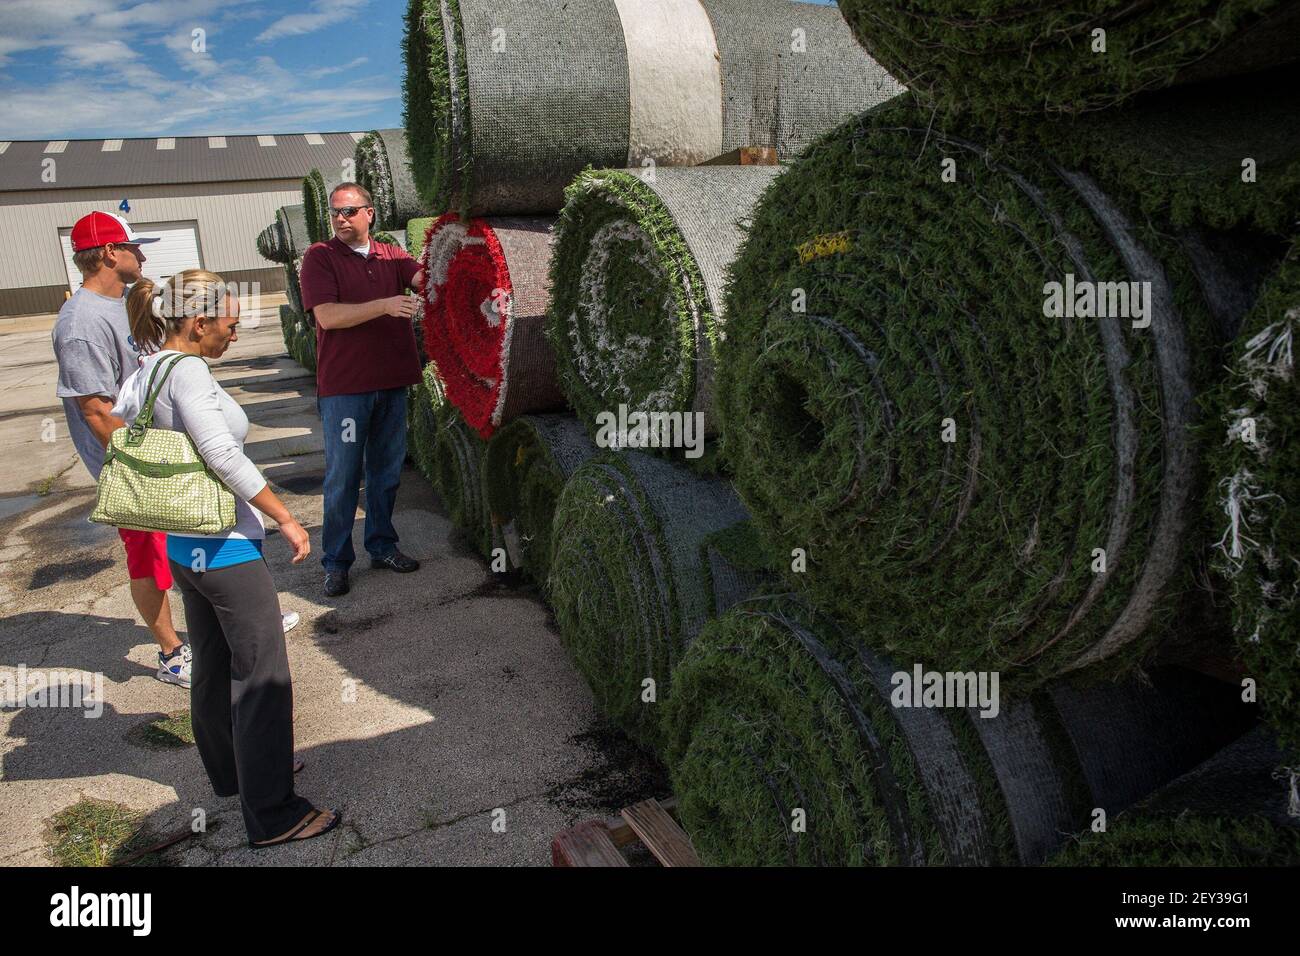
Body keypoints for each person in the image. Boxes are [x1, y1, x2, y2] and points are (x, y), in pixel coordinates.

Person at [113, 269, 337, 847]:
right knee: (262, 673)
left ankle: (233, 775)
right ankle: (274, 813)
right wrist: (283, 514)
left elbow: (120, 417)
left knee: (213, 664)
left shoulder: (148, 369)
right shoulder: (187, 370)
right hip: (224, 545)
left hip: (183, 544)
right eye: (229, 324)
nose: (234, 333)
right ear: (198, 321)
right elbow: (218, 452)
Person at [52, 212, 191, 686]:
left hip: (163, 450)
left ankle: (228, 625)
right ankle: (173, 654)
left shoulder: (125, 302)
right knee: (150, 555)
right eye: (134, 247)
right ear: (110, 252)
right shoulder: (80, 323)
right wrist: (141, 465)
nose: (144, 255)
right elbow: (95, 410)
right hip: (131, 464)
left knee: (197, 536)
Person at [299, 182, 426, 598]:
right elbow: (329, 317)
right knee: (343, 478)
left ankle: (382, 546)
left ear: (370, 214)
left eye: (350, 211)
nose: (341, 218)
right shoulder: (320, 258)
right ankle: (336, 562)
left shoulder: (391, 254)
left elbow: (424, 278)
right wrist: (385, 305)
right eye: (336, 212)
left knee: (386, 474)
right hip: (346, 390)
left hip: (391, 384)